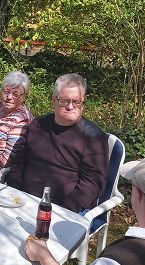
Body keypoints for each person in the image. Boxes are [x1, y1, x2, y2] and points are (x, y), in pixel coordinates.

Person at [6, 73, 108, 212]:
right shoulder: (38, 125)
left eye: (76, 102)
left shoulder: (92, 138)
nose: (70, 107)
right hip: (21, 200)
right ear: (54, 100)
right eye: (64, 101)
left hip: (61, 210)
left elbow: (92, 183)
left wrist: (63, 210)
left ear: (82, 103)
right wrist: (14, 192)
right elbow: (19, 161)